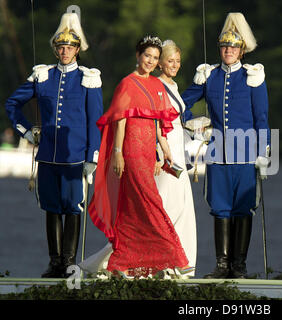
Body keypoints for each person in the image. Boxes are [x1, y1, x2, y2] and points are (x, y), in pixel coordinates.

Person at [4, 13, 103, 278]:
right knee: (50, 208)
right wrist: (25, 131)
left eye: (70, 47)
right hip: (47, 155)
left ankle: (70, 262)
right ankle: (55, 262)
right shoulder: (42, 76)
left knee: (72, 208)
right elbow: (12, 103)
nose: (65, 51)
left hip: (75, 157)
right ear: (55, 49)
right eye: (61, 47)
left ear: (77, 49)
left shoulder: (88, 78)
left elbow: (96, 121)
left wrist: (92, 156)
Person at [87, 35, 191, 278]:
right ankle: (174, 256)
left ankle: (123, 262)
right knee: (151, 200)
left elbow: (158, 125)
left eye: (155, 58)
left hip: (148, 151)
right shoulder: (127, 83)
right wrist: (117, 153)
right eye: (147, 56)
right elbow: (121, 120)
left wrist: (165, 151)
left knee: (134, 206)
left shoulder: (156, 85)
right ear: (138, 56)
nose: (151, 61)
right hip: (131, 150)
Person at [181, 13, 271, 279]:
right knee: (219, 207)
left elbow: (261, 118)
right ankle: (222, 265)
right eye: (224, 46)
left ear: (242, 49)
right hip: (218, 151)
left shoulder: (253, 76)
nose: (228, 50)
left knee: (243, 208)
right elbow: (181, 102)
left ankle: (239, 266)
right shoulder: (209, 75)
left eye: (233, 46)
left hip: (246, 152)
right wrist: (191, 123)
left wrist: (264, 152)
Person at [154, 40, 197, 278]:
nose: (175, 65)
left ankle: (179, 261)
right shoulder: (155, 85)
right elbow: (154, 123)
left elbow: (180, 115)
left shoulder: (174, 85)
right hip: (165, 153)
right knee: (165, 204)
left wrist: (194, 126)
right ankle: (158, 261)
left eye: (178, 61)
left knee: (181, 204)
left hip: (179, 151)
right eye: (170, 61)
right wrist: (157, 154)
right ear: (160, 63)